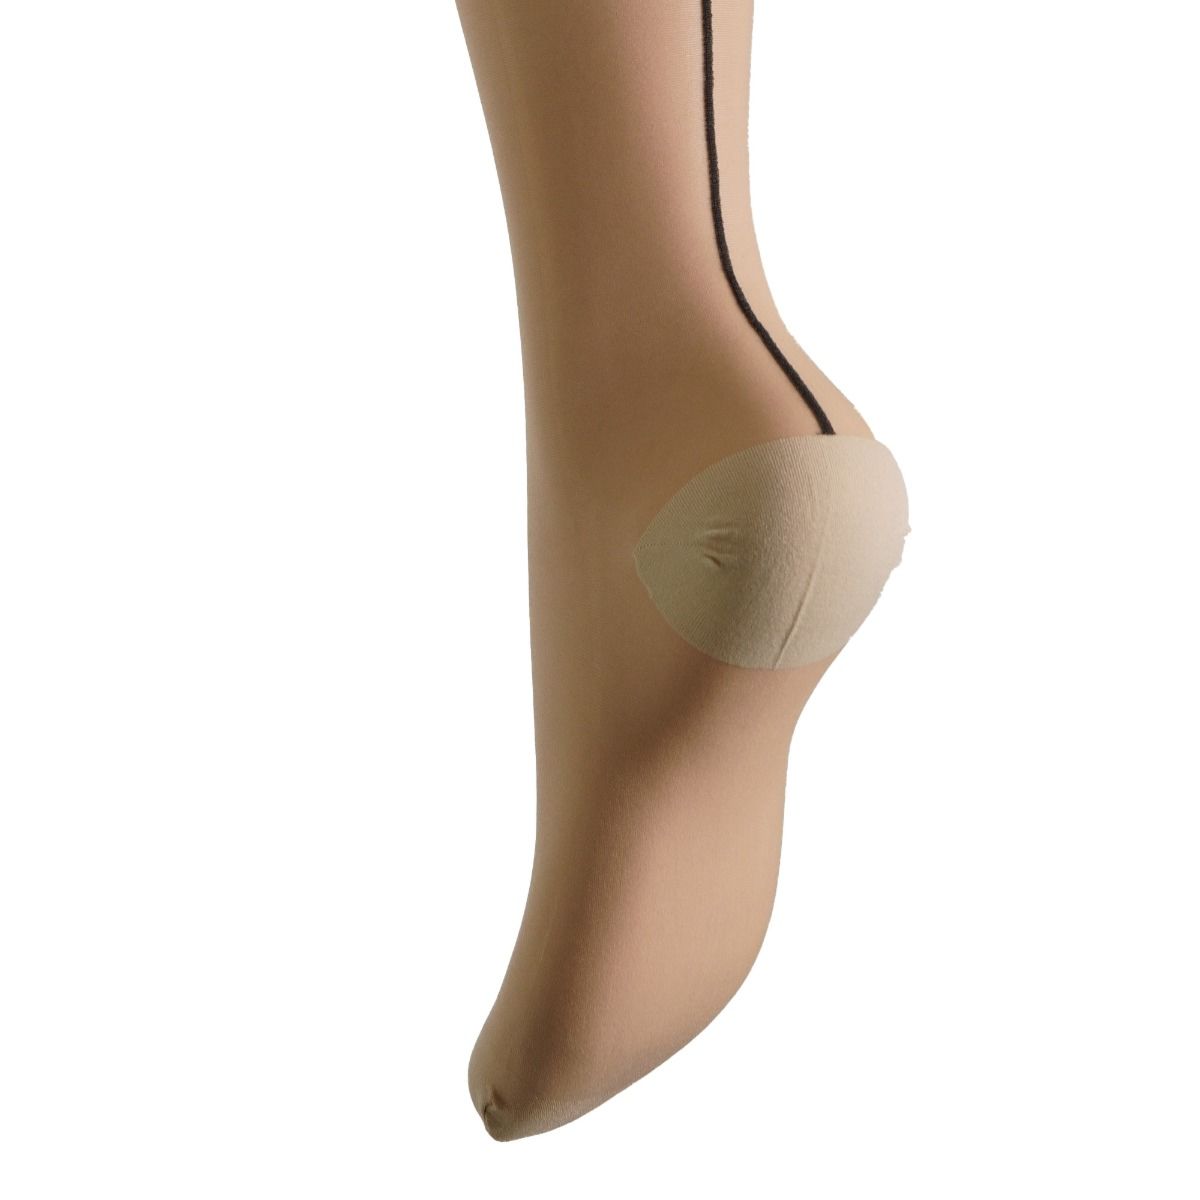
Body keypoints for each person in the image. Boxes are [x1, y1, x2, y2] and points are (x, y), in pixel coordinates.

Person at [454, 0, 910, 1140]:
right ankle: (696, 380)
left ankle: (681, 394)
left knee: (628, 338)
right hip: (728, 465)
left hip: (698, 495)